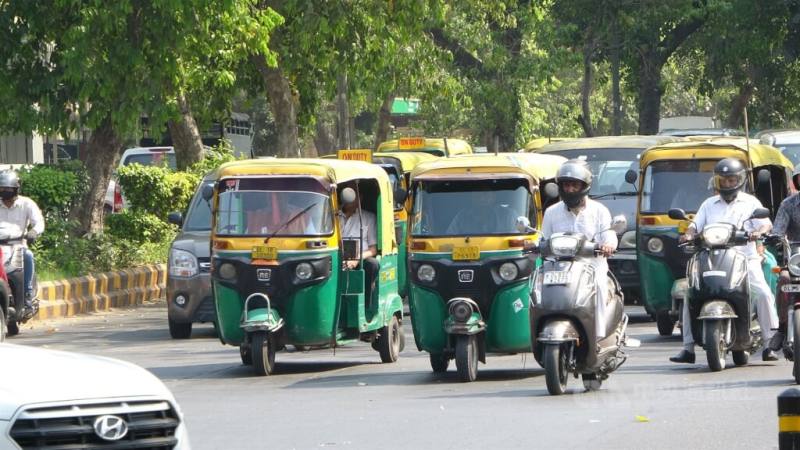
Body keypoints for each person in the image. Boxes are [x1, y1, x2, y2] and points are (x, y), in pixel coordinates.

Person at [670, 158, 779, 363]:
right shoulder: (708, 204)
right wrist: (689, 234)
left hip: (745, 258)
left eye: (731, 180)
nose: (727, 184)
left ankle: (769, 343)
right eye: (723, 180)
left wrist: (758, 232)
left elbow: (765, 224)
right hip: (711, 256)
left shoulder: (750, 203)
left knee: (763, 293)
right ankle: (687, 348)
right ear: (717, 181)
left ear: (740, 180)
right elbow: (694, 225)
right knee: (689, 294)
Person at [540, 159, 618, 337]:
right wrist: (534, 245)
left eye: (574, 185)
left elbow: (609, 235)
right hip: (558, 269)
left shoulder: (599, 211)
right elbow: (544, 238)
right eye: (566, 185)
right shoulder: (551, 212)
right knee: (537, 291)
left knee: (599, 287)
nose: (569, 189)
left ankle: (598, 336)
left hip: (592, 267)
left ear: (584, 186)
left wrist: (608, 245)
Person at [0, 170, 44, 319]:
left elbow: (39, 222)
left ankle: (27, 299)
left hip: (18, 246)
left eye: (7, 189)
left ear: (16, 189)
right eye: (1, 188)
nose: (4, 191)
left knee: (28, 255)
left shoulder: (26, 203)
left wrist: (34, 232)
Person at [767, 164, 800, 354]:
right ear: (797, 181)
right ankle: (781, 328)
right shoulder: (788, 204)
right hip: (796, 258)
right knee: (784, 279)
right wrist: (775, 236)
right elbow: (778, 229)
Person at [338, 186, 379, 304]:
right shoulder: (333, 215)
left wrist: (356, 258)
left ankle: (365, 304)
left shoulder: (369, 218)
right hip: (337, 256)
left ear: (360, 198)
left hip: (360, 258)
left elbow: (373, 249)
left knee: (373, 264)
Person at [446, 190, 517, 235]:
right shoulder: (462, 216)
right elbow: (450, 237)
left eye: (486, 194)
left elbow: (517, 236)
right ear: (472, 197)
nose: (482, 198)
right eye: (478, 194)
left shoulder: (508, 215)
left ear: (493, 196)